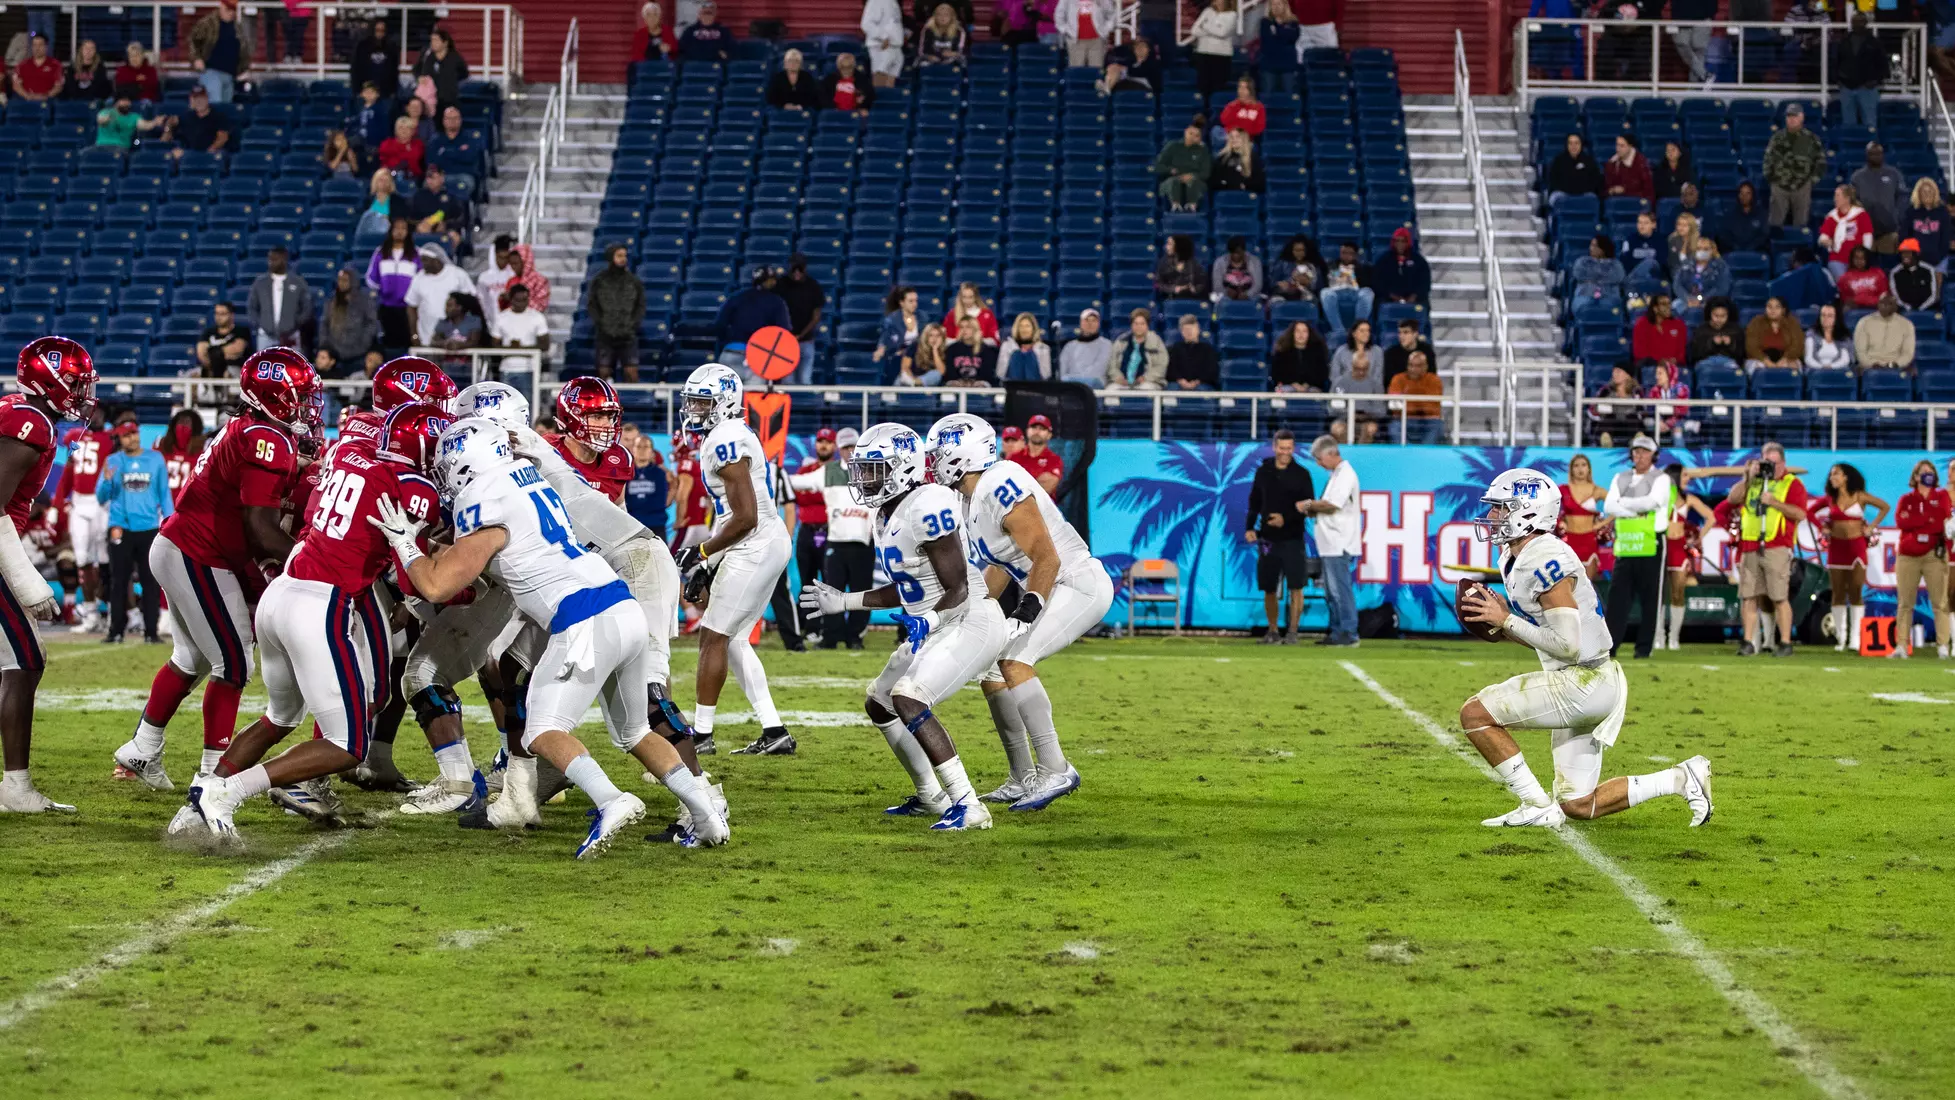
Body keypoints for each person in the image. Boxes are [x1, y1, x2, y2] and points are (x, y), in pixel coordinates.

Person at [1454, 468, 1714, 831]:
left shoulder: (1543, 558)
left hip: (1583, 680)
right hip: (1588, 677)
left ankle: (1534, 804)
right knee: (1579, 804)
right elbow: (1547, 638)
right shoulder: (1518, 554)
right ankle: (1681, 778)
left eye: (1502, 508)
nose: (1493, 516)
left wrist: (1508, 620)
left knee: (1475, 714)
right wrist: (1503, 625)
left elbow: (1568, 645)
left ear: (1527, 512)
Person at [114, 349, 317, 794]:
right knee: (234, 664)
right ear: (273, 397)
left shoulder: (248, 427)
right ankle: (209, 775)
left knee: (191, 659)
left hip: (183, 546)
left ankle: (142, 748)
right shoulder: (266, 436)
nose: (306, 406)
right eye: (299, 396)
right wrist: (311, 562)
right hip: (198, 553)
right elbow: (260, 529)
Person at [794, 424, 1004, 827]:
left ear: (903, 468)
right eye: (863, 469)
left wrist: (929, 617)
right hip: (936, 622)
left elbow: (958, 586)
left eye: (874, 469)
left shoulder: (928, 504)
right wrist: (845, 602)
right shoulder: (887, 513)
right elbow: (908, 588)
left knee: (909, 698)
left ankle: (969, 804)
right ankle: (931, 795)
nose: (864, 479)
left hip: (970, 617)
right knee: (880, 701)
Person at [673, 365, 797, 757]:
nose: (692, 408)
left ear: (722, 403)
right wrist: (709, 565)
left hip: (754, 541)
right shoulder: (725, 435)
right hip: (757, 541)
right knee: (735, 639)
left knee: (713, 636)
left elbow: (745, 516)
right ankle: (774, 731)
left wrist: (704, 551)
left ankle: (703, 736)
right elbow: (735, 514)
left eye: (701, 401)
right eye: (691, 400)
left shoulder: (725, 438)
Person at [0, 341, 98, 809]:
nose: (81, 393)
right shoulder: (31, 421)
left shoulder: (19, 411)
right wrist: (25, 578)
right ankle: (16, 788)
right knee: (24, 663)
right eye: (76, 383)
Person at [1726, 442, 1809, 657]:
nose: (1768, 467)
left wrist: (1775, 503)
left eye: (1773, 463)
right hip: (1750, 545)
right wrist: (1747, 477)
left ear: (1783, 463)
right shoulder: (1754, 482)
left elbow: (1800, 514)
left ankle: (1785, 642)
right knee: (1748, 596)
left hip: (1776, 546)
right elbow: (1732, 500)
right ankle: (1748, 642)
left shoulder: (1792, 484)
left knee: (1779, 596)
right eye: (1765, 462)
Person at [96, 420, 171, 645]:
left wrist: (170, 520)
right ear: (119, 438)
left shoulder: (155, 459)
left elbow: (164, 493)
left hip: (149, 528)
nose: (132, 438)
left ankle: (151, 632)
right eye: (127, 435)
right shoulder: (113, 462)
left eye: (134, 433)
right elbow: (101, 498)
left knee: (151, 582)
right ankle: (116, 631)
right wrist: (107, 482)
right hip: (121, 527)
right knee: (119, 581)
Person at [1239, 430, 1317, 644]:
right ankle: (1272, 631)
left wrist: (1287, 518)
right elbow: (1254, 501)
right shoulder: (1263, 472)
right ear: (1274, 447)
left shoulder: (1302, 474)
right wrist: (1249, 527)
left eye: (1289, 449)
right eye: (1281, 448)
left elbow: (1309, 506)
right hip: (1267, 539)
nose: (1285, 452)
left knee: (1296, 586)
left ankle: (1293, 632)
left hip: (1293, 538)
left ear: (1294, 448)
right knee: (1269, 587)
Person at [1598, 434, 1670, 659]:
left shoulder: (1661, 478)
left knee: (1650, 600)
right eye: (1636, 451)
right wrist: (1635, 509)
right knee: (1618, 599)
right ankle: (1611, 647)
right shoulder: (1621, 477)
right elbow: (1610, 504)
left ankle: (1644, 648)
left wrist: (1623, 504)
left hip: (1651, 542)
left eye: (1645, 452)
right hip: (1627, 545)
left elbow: (1653, 502)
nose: (1640, 456)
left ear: (1653, 455)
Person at [1808, 463, 1888, 655]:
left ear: (1846, 477)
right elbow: (1809, 513)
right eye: (1831, 474)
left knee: (1855, 591)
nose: (1832, 477)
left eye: (1836, 473)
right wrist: (1822, 528)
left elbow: (1884, 507)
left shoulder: (1860, 496)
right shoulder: (1829, 498)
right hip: (1836, 549)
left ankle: (1856, 639)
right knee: (1837, 593)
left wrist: (1871, 527)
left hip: (1856, 548)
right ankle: (1841, 637)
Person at [1293, 436, 1359, 646]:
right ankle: (1337, 631)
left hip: (1339, 543)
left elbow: (1332, 504)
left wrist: (1308, 505)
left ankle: (1348, 632)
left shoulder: (1345, 474)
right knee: (1332, 592)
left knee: (1340, 590)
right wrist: (1313, 510)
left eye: (1320, 459)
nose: (1319, 464)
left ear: (1331, 454)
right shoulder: (1337, 475)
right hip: (1331, 543)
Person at [1891, 459, 1953, 658]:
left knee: (1940, 602)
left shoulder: (1942, 496)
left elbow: (1942, 522)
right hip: (1908, 555)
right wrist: (1928, 519)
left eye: (1931, 471)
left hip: (1933, 555)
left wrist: (1917, 522)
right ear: (1916, 476)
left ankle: (1943, 645)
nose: (1928, 474)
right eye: (1924, 471)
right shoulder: (1906, 499)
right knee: (1905, 602)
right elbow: (1901, 521)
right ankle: (1901, 645)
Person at [714, 264, 791, 375]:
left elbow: (719, 325)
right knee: (754, 392)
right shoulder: (777, 302)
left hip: (731, 352)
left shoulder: (736, 297)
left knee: (728, 392)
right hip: (758, 356)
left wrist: (728, 340)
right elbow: (783, 332)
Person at [588, 243, 646, 383]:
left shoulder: (633, 281)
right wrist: (601, 323)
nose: (623, 259)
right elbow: (592, 305)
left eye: (624, 256)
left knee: (631, 373)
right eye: (619, 256)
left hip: (628, 334)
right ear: (611, 258)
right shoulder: (599, 281)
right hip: (605, 334)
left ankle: (633, 403)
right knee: (603, 372)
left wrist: (633, 324)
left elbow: (640, 305)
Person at [1764, 102, 1827, 229]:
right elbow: (1768, 160)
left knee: (1801, 223)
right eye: (1789, 116)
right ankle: (1776, 247)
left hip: (1802, 186)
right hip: (1780, 186)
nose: (1792, 119)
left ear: (1802, 117)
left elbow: (1821, 162)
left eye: (1795, 116)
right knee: (1775, 223)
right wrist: (1772, 179)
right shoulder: (1777, 138)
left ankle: (1799, 248)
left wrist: (1811, 181)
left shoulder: (1811, 139)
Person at [365, 218, 420, 354]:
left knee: (407, 344)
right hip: (387, 307)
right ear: (391, 231)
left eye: (403, 229)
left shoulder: (415, 253)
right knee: (388, 345)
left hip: (408, 308)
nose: (399, 232)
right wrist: (384, 289)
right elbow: (370, 278)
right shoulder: (381, 252)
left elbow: (421, 278)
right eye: (396, 228)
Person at [404, 243, 471, 348]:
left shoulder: (457, 275)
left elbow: (470, 301)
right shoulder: (418, 278)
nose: (422, 264)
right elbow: (411, 307)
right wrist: (414, 335)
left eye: (425, 260)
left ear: (436, 260)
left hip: (456, 339)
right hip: (426, 339)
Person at [489, 283, 550, 392]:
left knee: (527, 405)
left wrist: (519, 348)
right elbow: (494, 345)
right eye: (518, 300)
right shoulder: (501, 318)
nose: (522, 303)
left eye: (525, 300)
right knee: (505, 405)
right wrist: (513, 348)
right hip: (506, 368)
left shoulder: (537, 317)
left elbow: (545, 345)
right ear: (511, 300)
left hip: (529, 368)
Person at [188, 0, 251, 103]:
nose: (231, 13)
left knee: (225, 110)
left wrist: (244, 68)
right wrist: (197, 59)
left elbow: (243, 50)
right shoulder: (208, 23)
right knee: (215, 104)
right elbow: (193, 41)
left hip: (230, 74)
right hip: (212, 71)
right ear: (221, 7)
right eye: (228, 9)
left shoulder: (237, 27)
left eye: (233, 10)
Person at [1850, 144, 1908, 255]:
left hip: (1889, 231)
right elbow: (1852, 201)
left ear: (1883, 155)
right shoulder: (1857, 177)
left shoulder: (1894, 174)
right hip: (1865, 232)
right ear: (1867, 155)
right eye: (1872, 154)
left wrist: (1897, 217)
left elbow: (1902, 198)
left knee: (1888, 265)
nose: (1875, 157)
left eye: (1878, 154)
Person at [777, 255, 826, 385]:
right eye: (794, 269)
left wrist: (800, 335)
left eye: (800, 269)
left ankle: (805, 405)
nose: (797, 273)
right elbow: (774, 312)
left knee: (805, 380)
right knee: (787, 381)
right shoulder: (780, 285)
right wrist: (788, 335)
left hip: (806, 341)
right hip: (784, 341)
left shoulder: (813, 286)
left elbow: (816, 316)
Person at [319, 267, 380, 370]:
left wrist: (363, 344)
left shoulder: (365, 302)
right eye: (339, 280)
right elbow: (324, 324)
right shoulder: (331, 302)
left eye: (345, 280)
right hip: (335, 355)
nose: (341, 283)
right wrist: (326, 346)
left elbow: (372, 324)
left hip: (359, 354)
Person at [1558, 454, 1606, 580]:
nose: (1580, 469)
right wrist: (1559, 523)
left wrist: (1599, 525)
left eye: (1584, 465)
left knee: (1588, 587)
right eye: (1576, 465)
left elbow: (1618, 507)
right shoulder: (1563, 490)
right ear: (1571, 469)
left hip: (1589, 541)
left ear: (1589, 469)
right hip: (1569, 542)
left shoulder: (1598, 490)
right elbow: (1549, 507)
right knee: (1569, 585)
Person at [1838, 13, 1887, 130]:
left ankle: (1871, 147)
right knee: (1848, 124)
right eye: (1855, 21)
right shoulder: (1844, 41)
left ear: (1865, 23)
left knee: (1870, 123)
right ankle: (1850, 148)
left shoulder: (1874, 42)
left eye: (1860, 21)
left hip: (1867, 88)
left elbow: (1883, 65)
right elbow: (1837, 61)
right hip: (1847, 87)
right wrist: (1838, 79)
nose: (1857, 24)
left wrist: (1876, 80)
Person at [1386, 349, 1444, 444]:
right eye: (1411, 365)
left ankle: (1424, 455)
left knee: (1437, 427)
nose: (1413, 369)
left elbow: (1433, 408)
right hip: (1403, 419)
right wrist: (1420, 402)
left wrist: (1408, 401)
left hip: (1428, 420)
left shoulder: (1434, 380)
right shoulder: (1397, 379)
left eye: (1418, 366)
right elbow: (1395, 407)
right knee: (1394, 428)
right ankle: (1406, 455)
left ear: (1426, 367)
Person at [1320, 241, 1375, 338]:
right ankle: (1339, 331)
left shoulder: (1363, 267)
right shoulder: (1331, 265)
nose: (1346, 256)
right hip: (1336, 292)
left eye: (1350, 253)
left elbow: (1367, 284)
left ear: (1355, 255)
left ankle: (1358, 328)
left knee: (1368, 292)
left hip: (1354, 292)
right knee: (1325, 293)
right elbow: (1325, 283)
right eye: (1344, 253)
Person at [1155, 122, 1212, 212]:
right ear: (1185, 132)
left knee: (1194, 183)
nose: (1192, 137)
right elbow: (1158, 166)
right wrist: (1171, 170)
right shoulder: (1172, 146)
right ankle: (1175, 207)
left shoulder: (1203, 151)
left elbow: (1206, 173)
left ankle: (1191, 207)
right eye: (1190, 133)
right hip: (1173, 178)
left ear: (1200, 138)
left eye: (1196, 135)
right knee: (1173, 182)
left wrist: (1192, 176)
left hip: (1195, 181)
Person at [1819, 185, 1874, 276]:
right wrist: (1826, 241)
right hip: (1837, 259)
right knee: (1844, 282)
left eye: (1838, 196)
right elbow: (1823, 237)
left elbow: (1867, 236)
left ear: (1847, 199)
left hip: (1857, 260)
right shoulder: (1831, 216)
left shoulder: (1861, 214)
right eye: (1835, 196)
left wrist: (1864, 256)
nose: (1835, 199)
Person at [1105, 309, 1167, 389]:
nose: (1139, 327)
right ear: (1131, 325)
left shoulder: (1156, 342)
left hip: (1149, 382)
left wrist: (1145, 378)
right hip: (1122, 382)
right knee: (1111, 389)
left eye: (1142, 324)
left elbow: (1161, 366)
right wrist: (1118, 378)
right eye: (1136, 323)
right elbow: (1111, 364)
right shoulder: (1121, 341)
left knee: (1146, 388)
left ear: (1147, 325)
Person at [1189, 0, 1239, 98]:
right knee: (1203, 86)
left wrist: (1205, 26)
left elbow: (1222, 33)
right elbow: (1194, 30)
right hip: (1203, 52)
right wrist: (1215, 29)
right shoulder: (1207, 11)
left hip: (1221, 55)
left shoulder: (1232, 15)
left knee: (1218, 87)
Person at [1372, 228, 1431, 309]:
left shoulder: (1419, 261)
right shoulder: (1384, 260)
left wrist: (1414, 296)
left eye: (1403, 241)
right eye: (1397, 241)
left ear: (1408, 242)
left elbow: (1425, 283)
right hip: (1388, 297)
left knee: (1422, 305)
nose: (1400, 244)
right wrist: (1391, 295)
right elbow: (1377, 282)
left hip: (1414, 298)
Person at [1854, 293, 1915, 371]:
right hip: (1869, 368)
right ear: (1878, 304)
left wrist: (1895, 364)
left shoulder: (1907, 325)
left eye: (1889, 304)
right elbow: (1860, 352)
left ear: (1896, 306)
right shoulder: (1864, 322)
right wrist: (1871, 364)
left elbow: (1908, 353)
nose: (1885, 306)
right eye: (1882, 303)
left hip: (1895, 367)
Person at [1744, 296, 1803, 372]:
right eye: (1769, 306)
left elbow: (1798, 345)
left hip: (1786, 358)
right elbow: (1751, 346)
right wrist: (1766, 361)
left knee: (1793, 366)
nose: (1773, 310)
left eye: (1777, 307)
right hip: (1760, 358)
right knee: (1758, 368)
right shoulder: (1756, 322)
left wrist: (1785, 359)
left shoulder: (1792, 323)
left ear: (1783, 310)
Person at [875, 286, 923, 380]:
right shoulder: (892, 320)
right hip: (898, 357)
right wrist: (880, 349)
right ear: (902, 303)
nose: (915, 304)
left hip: (917, 356)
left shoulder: (923, 317)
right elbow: (885, 338)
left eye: (916, 300)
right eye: (911, 301)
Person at [413, 27, 468, 108]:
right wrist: (419, 77)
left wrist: (451, 82)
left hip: (449, 99)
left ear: (445, 43)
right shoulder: (427, 55)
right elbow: (416, 69)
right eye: (431, 40)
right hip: (429, 100)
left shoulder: (455, 57)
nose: (432, 43)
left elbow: (464, 73)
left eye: (436, 40)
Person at [167, 85, 230, 155]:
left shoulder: (218, 116)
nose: (199, 101)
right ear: (191, 100)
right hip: (188, 154)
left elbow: (223, 138)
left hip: (210, 154)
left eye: (202, 98)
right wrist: (169, 126)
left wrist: (210, 151)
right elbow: (165, 140)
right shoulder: (185, 117)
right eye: (195, 98)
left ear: (207, 98)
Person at [431, 291, 484, 373]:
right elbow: (434, 341)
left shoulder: (473, 321)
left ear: (459, 307)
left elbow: (474, 342)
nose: (446, 309)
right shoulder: (442, 323)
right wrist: (446, 343)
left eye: (449, 306)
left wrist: (458, 345)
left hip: (469, 368)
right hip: (446, 367)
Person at [1271, 320, 1329, 393]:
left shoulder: (1318, 352)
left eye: (1304, 331)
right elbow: (1276, 374)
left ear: (1309, 334)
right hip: (1288, 385)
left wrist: (1307, 384)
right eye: (1297, 331)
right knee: (1284, 391)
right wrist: (1294, 384)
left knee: (1314, 392)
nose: (1301, 334)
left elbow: (1322, 374)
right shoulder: (1282, 351)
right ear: (1292, 333)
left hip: (1312, 386)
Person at [194, 303, 251, 377]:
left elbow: (236, 350)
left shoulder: (241, 331)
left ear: (231, 315)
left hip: (233, 367)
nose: (218, 317)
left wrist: (213, 352)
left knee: (229, 373)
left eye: (222, 314)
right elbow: (201, 353)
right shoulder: (208, 332)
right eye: (216, 313)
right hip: (209, 368)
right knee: (193, 375)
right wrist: (219, 354)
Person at [1716, 180, 1771, 257]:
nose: (1744, 196)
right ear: (1738, 195)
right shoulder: (1729, 214)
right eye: (1741, 193)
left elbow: (1764, 235)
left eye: (1747, 193)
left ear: (1753, 195)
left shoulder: (1762, 214)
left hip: (1756, 252)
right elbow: (1724, 235)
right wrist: (1735, 246)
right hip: (1733, 252)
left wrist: (1752, 247)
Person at [1163, 315, 1218, 391]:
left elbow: (1211, 371)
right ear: (1182, 332)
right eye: (1186, 330)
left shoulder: (1208, 349)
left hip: (1201, 384)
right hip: (1178, 384)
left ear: (1198, 330)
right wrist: (1180, 380)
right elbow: (1170, 370)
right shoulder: (1174, 349)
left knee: (1202, 390)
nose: (1189, 332)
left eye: (1192, 329)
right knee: (1172, 388)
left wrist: (1197, 382)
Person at [1632, 294, 1687, 370]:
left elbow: (1681, 351)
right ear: (1655, 308)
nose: (1669, 307)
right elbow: (1639, 352)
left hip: (1674, 365)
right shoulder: (1642, 324)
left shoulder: (1679, 324)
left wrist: (1675, 360)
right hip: (1649, 366)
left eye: (1669, 303)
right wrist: (1658, 361)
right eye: (1664, 304)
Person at [1547, 133, 1605, 204]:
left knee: (1593, 198)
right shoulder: (1558, 161)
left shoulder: (1589, 161)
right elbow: (1554, 181)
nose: (1573, 146)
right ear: (1567, 145)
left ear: (1581, 145)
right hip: (1563, 193)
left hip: (1584, 193)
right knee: (1555, 197)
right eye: (1570, 143)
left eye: (1576, 143)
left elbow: (1595, 180)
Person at [1258, 0, 1302, 93]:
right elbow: (1267, 42)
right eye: (1273, 4)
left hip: (1288, 66)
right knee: (1267, 96)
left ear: (1285, 5)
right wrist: (1283, 33)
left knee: (1289, 95)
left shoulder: (1293, 22)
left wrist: (1277, 31)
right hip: (1269, 65)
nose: (1276, 7)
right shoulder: (1265, 22)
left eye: (1278, 4)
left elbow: (1293, 37)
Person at [1014, 415, 1065, 495]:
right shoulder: (1014, 458)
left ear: (1049, 435)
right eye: (1034, 427)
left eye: (1042, 428)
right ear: (1027, 431)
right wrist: (1037, 480)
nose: (1037, 431)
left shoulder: (1055, 460)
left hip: (1043, 507)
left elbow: (1048, 487)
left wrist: (1019, 484)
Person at [1672, 238, 1729, 311]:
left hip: (1711, 301)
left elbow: (1722, 288)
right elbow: (1677, 284)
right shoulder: (1686, 264)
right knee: (1675, 306)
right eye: (1699, 248)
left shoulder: (1721, 266)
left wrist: (1702, 299)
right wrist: (1687, 298)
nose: (1702, 251)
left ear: (1712, 250)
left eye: (1705, 249)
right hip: (1687, 300)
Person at [1055, 0, 1114, 69]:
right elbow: (1059, 15)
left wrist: (1106, 29)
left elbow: (1111, 14)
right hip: (1075, 41)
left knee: (1096, 70)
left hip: (1097, 40)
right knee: (1076, 70)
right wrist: (1065, 30)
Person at [95, 91, 165, 149]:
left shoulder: (134, 116)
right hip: (100, 146)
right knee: (84, 154)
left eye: (128, 101)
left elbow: (144, 125)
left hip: (120, 147)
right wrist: (109, 117)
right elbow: (101, 120)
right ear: (116, 103)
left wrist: (155, 122)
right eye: (123, 100)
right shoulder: (105, 112)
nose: (127, 103)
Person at [1058, 308, 1111, 385]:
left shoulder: (1106, 344)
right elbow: (1062, 371)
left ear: (1098, 324)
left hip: (1095, 387)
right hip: (1071, 387)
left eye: (1094, 321)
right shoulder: (1069, 346)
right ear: (1081, 323)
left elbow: (1099, 370)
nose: (1090, 324)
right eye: (1086, 320)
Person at [1379, 318, 1435, 389]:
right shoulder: (1390, 354)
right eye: (1400, 332)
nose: (1401, 336)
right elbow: (1389, 380)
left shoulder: (1427, 351)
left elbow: (1432, 376)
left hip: (1422, 392)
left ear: (1415, 334)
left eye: (1406, 332)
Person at [862, 0, 906, 88]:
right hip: (882, 45)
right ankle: (879, 101)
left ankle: (886, 101)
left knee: (890, 81)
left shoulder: (893, 2)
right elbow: (866, 24)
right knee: (880, 76)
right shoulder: (876, 1)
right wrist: (883, 36)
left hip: (895, 45)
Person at [1688, 297, 1743, 368]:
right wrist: (1712, 343)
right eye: (1716, 316)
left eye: (1723, 316)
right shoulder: (1701, 330)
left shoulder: (1736, 330)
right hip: (1706, 363)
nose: (1719, 319)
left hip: (1729, 363)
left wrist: (1731, 343)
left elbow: (1741, 355)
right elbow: (1695, 355)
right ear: (1710, 314)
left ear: (1728, 315)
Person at [349, 17, 399, 94]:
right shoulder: (362, 46)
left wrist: (393, 91)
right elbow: (355, 69)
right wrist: (357, 90)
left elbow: (394, 71)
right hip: (366, 91)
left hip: (386, 91)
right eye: (377, 30)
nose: (380, 33)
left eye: (383, 31)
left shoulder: (391, 47)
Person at [1571, 236, 1626, 304]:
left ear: (1603, 248)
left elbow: (1618, 277)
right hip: (1585, 296)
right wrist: (1603, 278)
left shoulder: (1615, 264)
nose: (1591, 248)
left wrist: (1593, 279)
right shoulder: (1582, 262)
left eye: (1595, 246)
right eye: (1591, 245)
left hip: (1609, 297)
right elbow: (1579, 274)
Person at [1210, 128, 1264, 195]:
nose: (1234, 139)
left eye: (1237, 137)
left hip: (1245, 195)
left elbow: (1260, 183)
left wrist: (1246, 186)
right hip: (1227, 195)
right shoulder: (1222, 158)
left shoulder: (1253, 157)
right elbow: (1214, 181)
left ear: (1244, 139)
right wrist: (1226, 185)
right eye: (1232, 137)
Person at [1268, 235, 1322, 303]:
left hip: (1305, 294)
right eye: (1297, 250)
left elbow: (1318, 286)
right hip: (1284, 293)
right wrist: (1280, 284)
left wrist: (1308, 283)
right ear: (1292, 251)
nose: (1300, 253)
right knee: (1276, 301)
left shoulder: (1312, 266)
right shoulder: (1282, 264)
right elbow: (1272, 282)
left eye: (1302, 250)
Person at [1154, 234, 1208, 299]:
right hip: (1169, 298)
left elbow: (1202, 283)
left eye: (1169, 244)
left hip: (1191, 298)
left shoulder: (1194, 264)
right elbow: (1157, 284)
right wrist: (1174, 289)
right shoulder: (1163, 263)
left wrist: (1194, 289)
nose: (1166, 247)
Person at [11, 34, 63, 101]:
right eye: (34, 45)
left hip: (47, 102)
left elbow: (58, 86)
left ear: (46, 47)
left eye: (40, 45)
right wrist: (27, 96)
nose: (37, 48)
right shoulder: (22, 65)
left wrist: (45, 96)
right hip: (26, 101)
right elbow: (16, 85)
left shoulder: (56, 65)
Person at [1001, 314, 1053, 382]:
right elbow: (1000, 373)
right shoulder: (1007, 346)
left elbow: (1046, 375)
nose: (1024, 330)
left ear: (1033, 329)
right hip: (1013, 386)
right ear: (1017, 329)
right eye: (1021, 326)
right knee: (1017, 354)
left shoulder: (1043, 348)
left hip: (1036, 386)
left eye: (1027, 326)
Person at [1210, 235, 1263, 301]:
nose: (1235, 255)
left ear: (1244, 251)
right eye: (1233, 253)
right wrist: (1226, 292)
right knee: (1216, 297)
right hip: (1226, 295)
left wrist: (1247, 294)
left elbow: (1258, 285)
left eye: (1238, 253)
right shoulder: (1219, 262)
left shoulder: (1255, 261)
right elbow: (1217, 285)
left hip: (1249, 294)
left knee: (1257, 298)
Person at [1892, 238, 1940, 311]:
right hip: (1904, 311)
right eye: (1902, 253)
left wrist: (1920, 309)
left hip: (1927, 311)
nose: (1904, 256)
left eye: (1908, 253)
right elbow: (1896, 296)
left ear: (1916, 253)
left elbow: (1934, 296)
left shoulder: (1929, 270)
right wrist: (1909, 309)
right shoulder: (1895, 272)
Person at [1604, 135, 1653, 204]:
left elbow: (1647, 189)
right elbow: (1607, 186)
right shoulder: (1612, 163)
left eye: (1622, 146)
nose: (1618, 149)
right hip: (1617, 202)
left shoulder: (1641, 163)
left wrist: (1625, 189)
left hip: (1637, 202)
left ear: (1630, 146)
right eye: (1617, 145)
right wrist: (1612, 190)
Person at [1836, 245, 1889, 309]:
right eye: (1856, 258)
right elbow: (1845, 298)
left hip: (1877, 307)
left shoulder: (1878, 273)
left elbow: (1884, 294)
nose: (1859, 261)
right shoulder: (1845, 277)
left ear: (1867, 259)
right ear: (1852, 259)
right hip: (1856, 307)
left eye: (1862, 258)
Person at [1620, 210, 1667, 281]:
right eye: (1639, 222)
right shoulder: (1630, 240)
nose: (1642, 226)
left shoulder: (1661, 241)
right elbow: (1624, 263)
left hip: (1653, 279)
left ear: (1654, 225)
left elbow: (1661, 264)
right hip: (1634, 279)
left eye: (1646, 223)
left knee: (1651, 263)